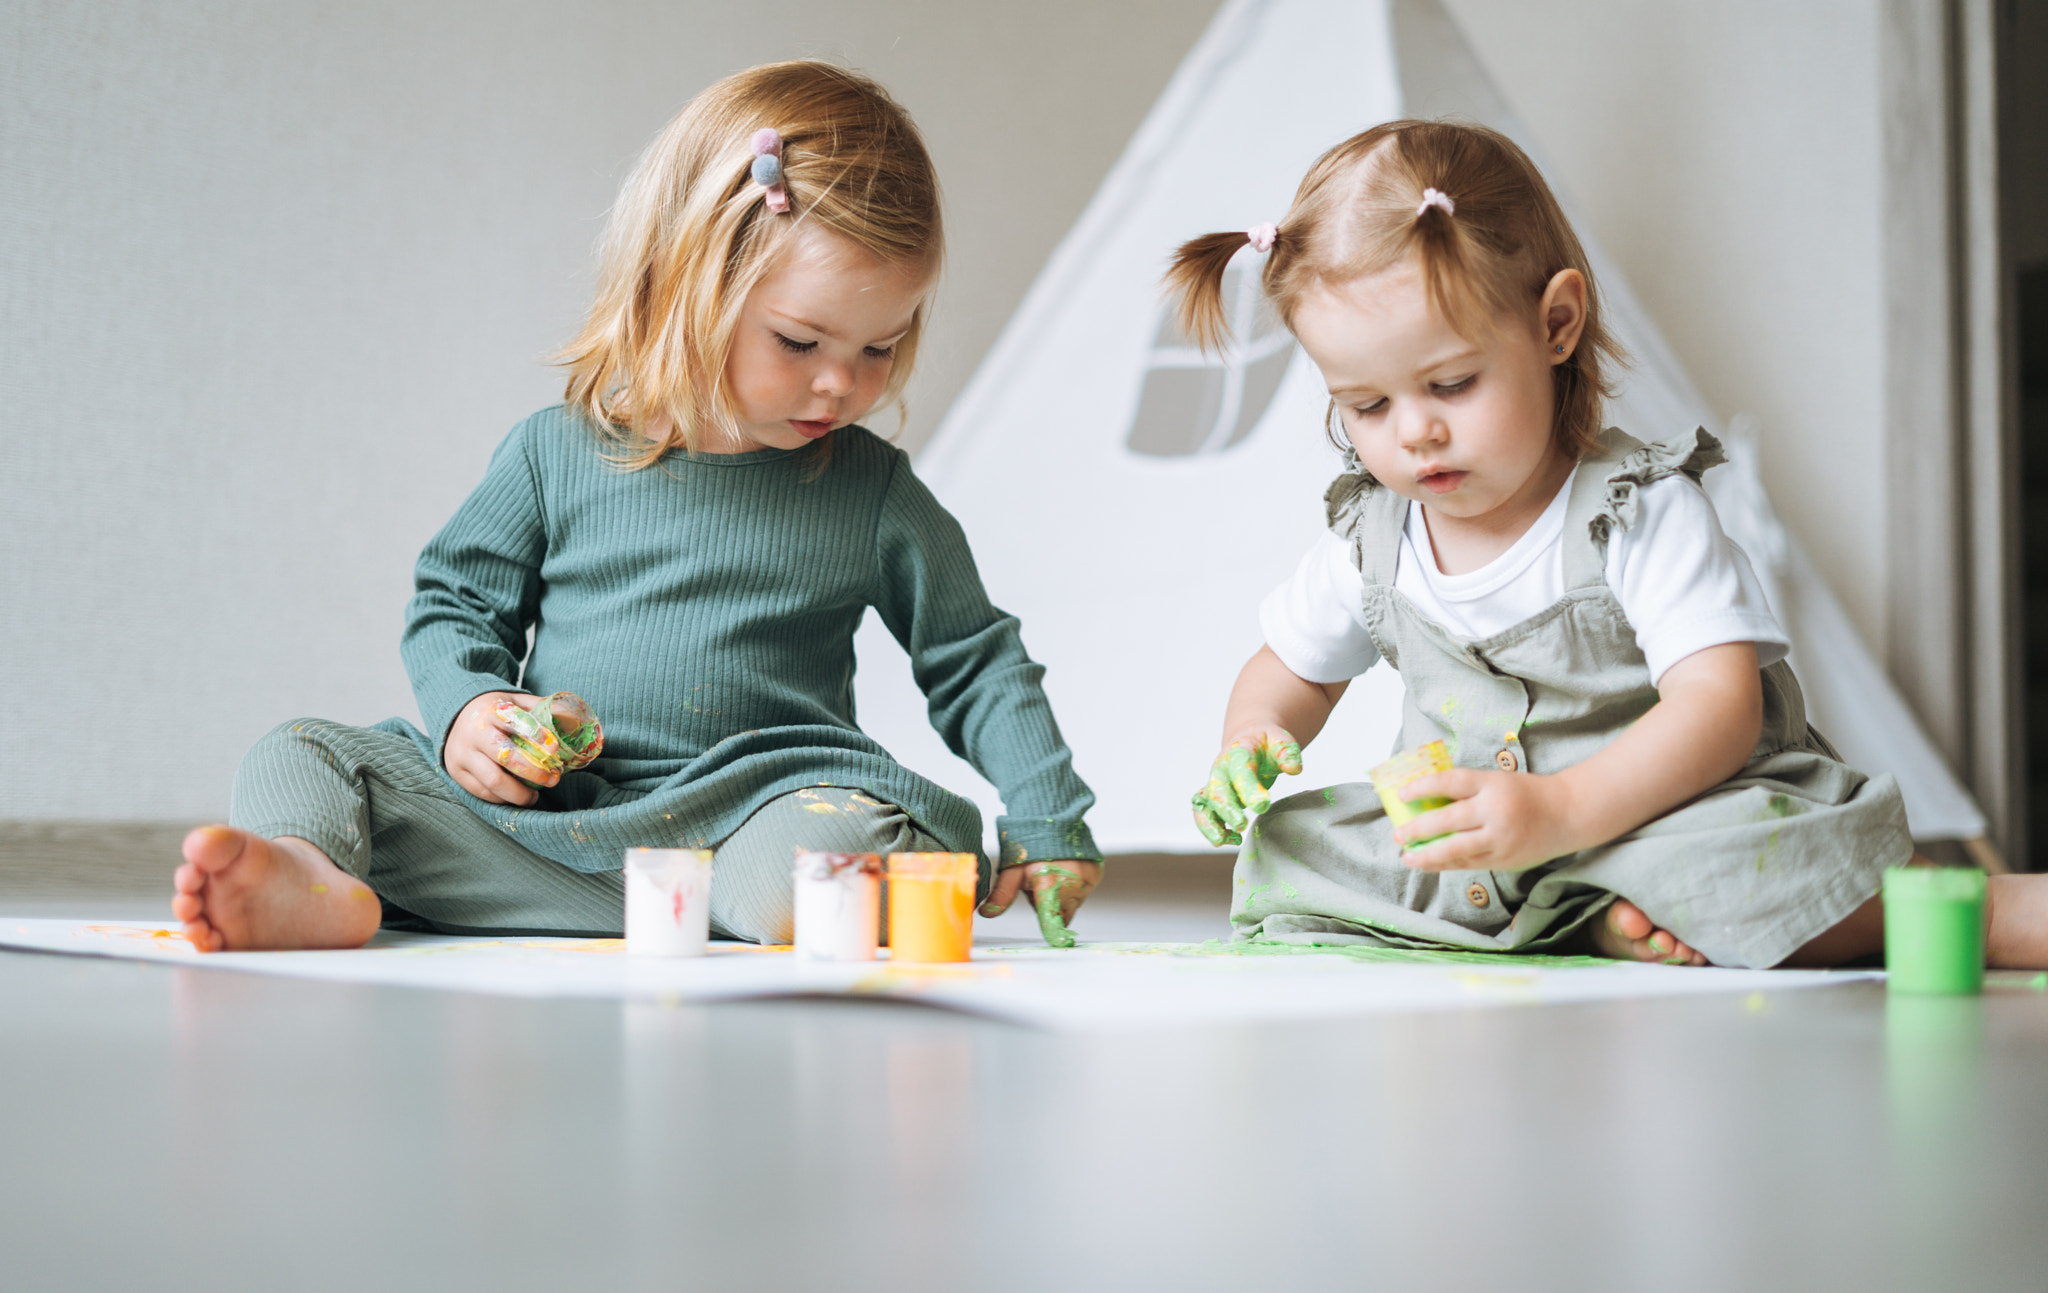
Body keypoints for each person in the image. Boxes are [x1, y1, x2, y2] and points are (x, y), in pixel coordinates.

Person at [172, 61, 1101, 952]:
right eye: (800, 340)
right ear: (689, 285)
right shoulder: (555, 450)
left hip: (754, 826)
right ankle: (306, 875)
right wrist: (469, 711)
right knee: (302, 752)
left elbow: (974, 658)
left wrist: (1048, 811)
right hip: (545, 824)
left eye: (880, 350)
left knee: (836, 851)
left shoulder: (873, 493)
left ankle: (773, 899)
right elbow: (456, 602)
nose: (840, 383)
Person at [1176, 119, 2046, 970]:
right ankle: (1583, 915)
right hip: (1499, 849)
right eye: (1366, 406)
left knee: (1751, 862)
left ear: (1556, 324)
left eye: (1451, 383)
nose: (1415, 433)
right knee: (1291, 848)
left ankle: (1995, 913)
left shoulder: (1636, 510)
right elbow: (1293, 669)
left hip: (1676, 814)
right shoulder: (1374, 538)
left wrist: (1560, 809)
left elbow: (1720, 707)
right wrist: (1252, 733)